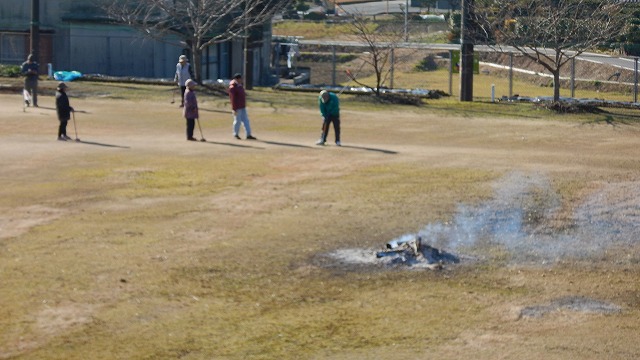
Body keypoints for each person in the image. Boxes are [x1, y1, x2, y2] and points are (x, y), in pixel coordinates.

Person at [228, 73, 256, 140]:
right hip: (237, 107)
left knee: (246, 120)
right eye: (240, 79)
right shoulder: (233, 87)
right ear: (237, 79)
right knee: (237, 121)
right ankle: (236, 134)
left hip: (242, 106)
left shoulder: (240, 86)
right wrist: (234, 108)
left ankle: (248, 134)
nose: (242, 80)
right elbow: (233, 99)